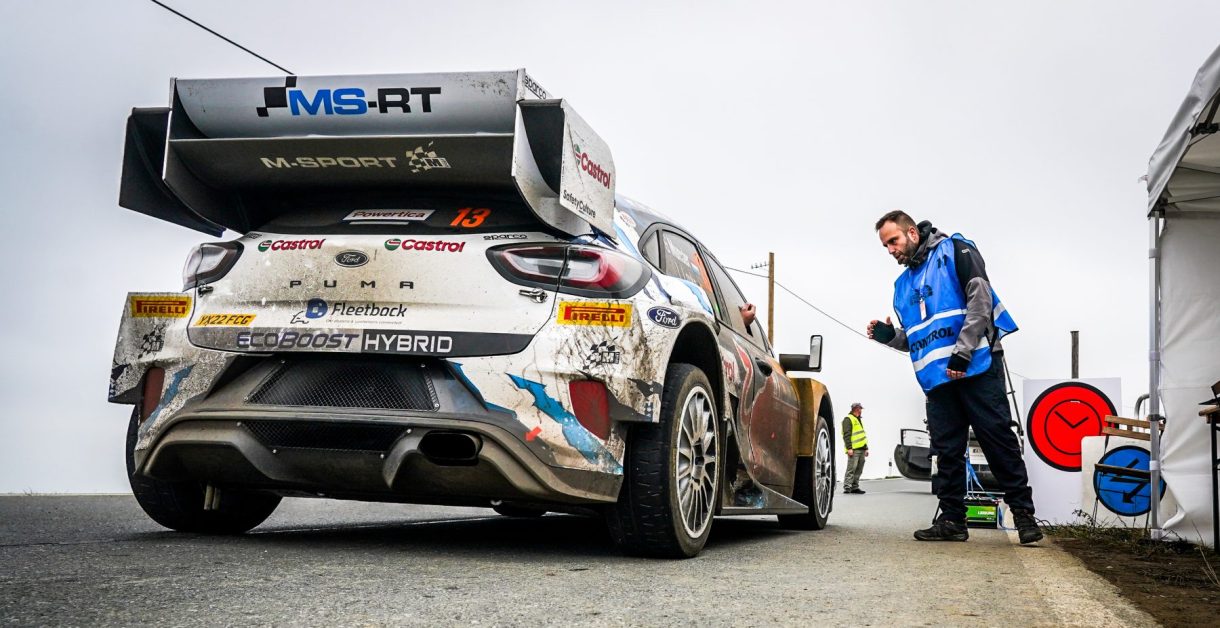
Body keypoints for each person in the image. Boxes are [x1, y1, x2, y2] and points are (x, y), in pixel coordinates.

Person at [867, 210, 1043, 544]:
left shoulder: (956, 250)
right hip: (938, 379)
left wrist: (963, 351)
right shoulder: (902, 286)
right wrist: (890, 337)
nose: (890, 250)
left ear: (912, 233)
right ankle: (952, 520)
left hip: (976, 365)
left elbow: (981, 300)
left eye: (893, 241)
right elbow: (917, 338)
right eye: (885, 246)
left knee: (997, 439)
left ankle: (1024, 515)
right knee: (946, 450)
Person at [842, 403, 869, 494]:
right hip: (854, 450)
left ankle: (855, 487)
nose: (861, 411)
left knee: (859, 469)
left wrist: (866, 448)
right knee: (851, 468)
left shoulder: (858, 419)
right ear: (856, 409)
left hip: (862, 449)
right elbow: (846, 435)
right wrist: (849, 448)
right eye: (860, 409)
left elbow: (862, 435)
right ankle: (847, 487)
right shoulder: (848, 419)